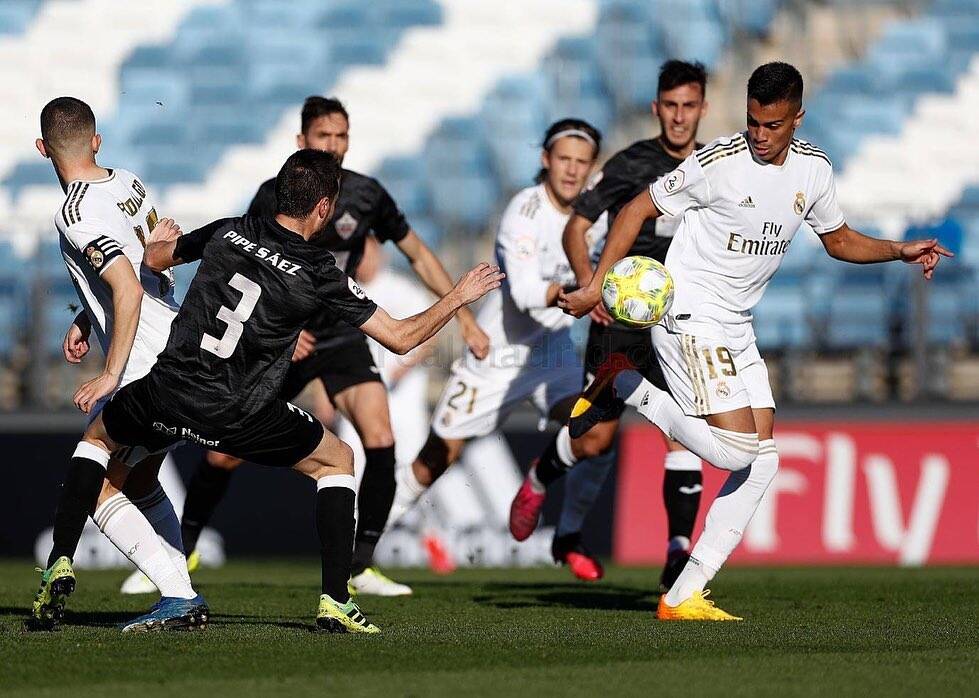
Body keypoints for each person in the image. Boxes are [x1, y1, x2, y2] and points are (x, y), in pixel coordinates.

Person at [530, 62, 952, 620]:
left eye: (771, 125)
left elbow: (839, 239)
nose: (758, 134)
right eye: (752, 121)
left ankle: (684, 593)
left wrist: (899, 250)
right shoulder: (717, 164)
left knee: (763, 462)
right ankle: (629, 385)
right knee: (734, 450)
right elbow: (635, 210)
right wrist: (597, 287)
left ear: (797, 118)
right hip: (688, 311)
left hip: (736, 322)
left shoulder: (814, 172)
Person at [81, 149, 503, 632]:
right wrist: (458, 297)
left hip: (177, 390)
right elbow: (401, 336)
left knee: (103, 454)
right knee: (339, 459)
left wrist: (157, 243)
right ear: (323, 208)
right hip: (243, 409)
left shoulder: (230, 228)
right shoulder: (319, 269)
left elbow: (153, 259)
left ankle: (130, 571)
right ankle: (335, 600)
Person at [177, 97, 489, 597]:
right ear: (302, 142)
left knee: (380, 437)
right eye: (324, 137)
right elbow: (247, 267)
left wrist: (466, 317)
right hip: (287, 337)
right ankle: (181, 551)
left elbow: (419, 255)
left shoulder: (366, 195)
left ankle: (360, 565)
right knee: (223, 453)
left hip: (344, 331)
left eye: (342, 136)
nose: (335, 146)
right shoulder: (273, 196)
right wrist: (276, 325)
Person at [382, 119, 613, 581]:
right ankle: (360, 543)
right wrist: (589, 292)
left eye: (581, 162)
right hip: (499, 352)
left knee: (596, 433)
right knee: (434, 459)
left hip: (552, 352)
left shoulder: (599, 215)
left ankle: (549, 503)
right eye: (563, 159)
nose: (571, 170)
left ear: (592, 168)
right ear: (545, 160)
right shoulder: (523, 213)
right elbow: (526, 293)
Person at [30, 97, 200, 630]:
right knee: (141, 479)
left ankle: (177, 594)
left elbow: (126, 286)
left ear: (42, 150)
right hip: (180, 341)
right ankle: (182, 592)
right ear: (97, 140)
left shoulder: (74, 211)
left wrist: (110, 373)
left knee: (98, 471)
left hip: (145, 360)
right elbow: (153, 262)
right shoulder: (129, 182)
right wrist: (86, 314)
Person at [541, 60, 710, 590]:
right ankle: (538, 478)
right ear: (657, 108)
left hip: (679, 320)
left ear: (702, 108)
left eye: (690, 106)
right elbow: (578, 226)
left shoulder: (715, 166)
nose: (680, 117)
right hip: (620, 319)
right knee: (594, 442)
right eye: (672, 106)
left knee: (685, 433)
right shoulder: (632, 164)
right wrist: (589, 282)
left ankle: (678, 555)